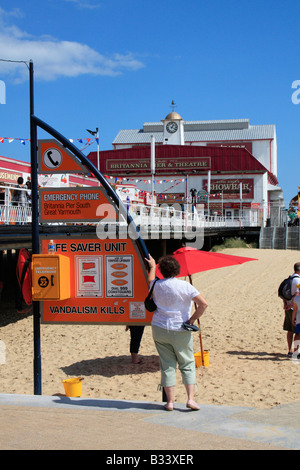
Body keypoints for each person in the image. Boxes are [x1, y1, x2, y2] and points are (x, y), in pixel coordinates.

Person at [145, 254, 208, 411]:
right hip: (180, 328)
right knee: (187, 363)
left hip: (159, 328)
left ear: (162, 270)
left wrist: (152, 266)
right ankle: (190, 399)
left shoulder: (156, 285)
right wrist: (192, 319)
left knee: (167, 365)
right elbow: (203, 304)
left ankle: (170, 402)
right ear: (177, 270)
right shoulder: (185, 286)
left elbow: (150, 279)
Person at [283, 263, 300, 357]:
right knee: (297, 332)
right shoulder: (298, 280)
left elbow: (283, 293)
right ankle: (296, 351)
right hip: (295, 308)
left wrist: (285, 304)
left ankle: (290, 350)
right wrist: (291, 306)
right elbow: (297, 295)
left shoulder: (289, 279)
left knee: (290, 330)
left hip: (288, 308)